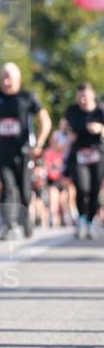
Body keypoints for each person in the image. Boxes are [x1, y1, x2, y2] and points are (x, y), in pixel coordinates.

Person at [0, 62, 51, 240]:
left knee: (25, 191)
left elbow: (46, 121)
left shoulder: (27, 97)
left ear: (18, 79)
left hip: (23, 152)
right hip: (2, 152)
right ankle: (8, 225)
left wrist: (39, 144)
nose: (6, 82)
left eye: (9, 78)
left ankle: (26, 219)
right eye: (3, 77)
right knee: (7, 187)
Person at [63, 82, 104, 239]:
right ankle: (82, 219)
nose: (83, 100)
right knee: (82, 188)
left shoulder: (100, 112)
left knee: (94, 191)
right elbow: (64, 127)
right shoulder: (72, 111)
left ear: (93, 95)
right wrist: (68, 134)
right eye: (80, 96)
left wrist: (100, 129)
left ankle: (91, 221)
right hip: (78, 156)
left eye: (85, 96)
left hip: (97, 156)